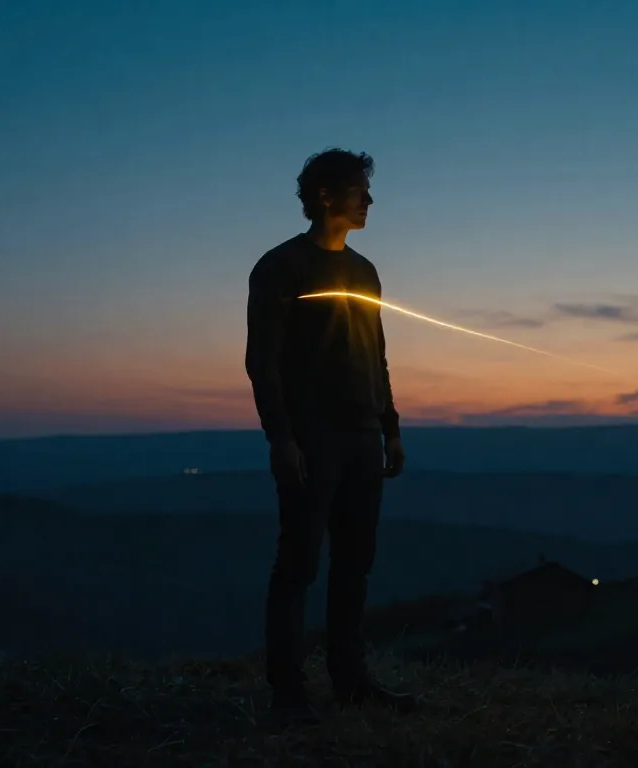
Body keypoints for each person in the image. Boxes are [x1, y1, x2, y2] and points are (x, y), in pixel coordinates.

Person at [245, 148, 415, 726]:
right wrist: (281, 438)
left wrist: (390, 429)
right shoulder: (281, 267)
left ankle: (351, 682)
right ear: (325, 196)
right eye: (359, 190)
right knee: (298, 565)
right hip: (312, 439)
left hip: (363, 436)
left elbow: (376, 355)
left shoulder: (365, 271)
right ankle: (288, 694)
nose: (369, 200)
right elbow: (262, 361)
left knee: (354, 563)